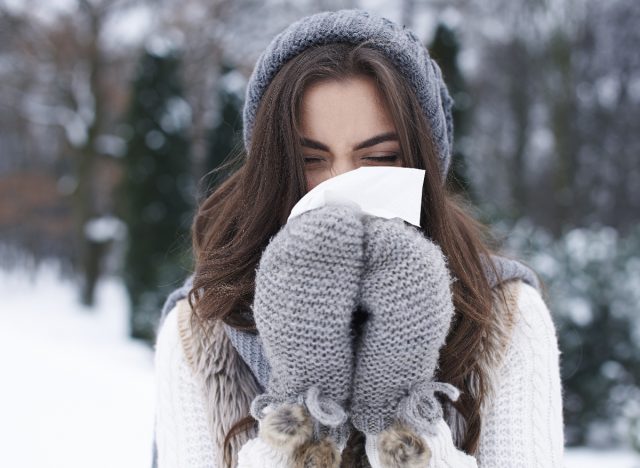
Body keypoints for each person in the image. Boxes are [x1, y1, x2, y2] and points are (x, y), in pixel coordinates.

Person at [152, 8, 564, 468]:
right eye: (311, 160)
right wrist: (302, 411)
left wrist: (401, 418)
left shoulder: (505, 316)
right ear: (273, 169)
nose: (342, 186)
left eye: (380, 156)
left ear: (420, 160)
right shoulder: (199, 328)